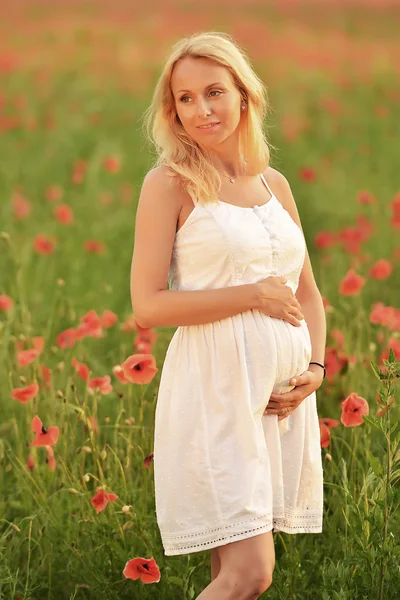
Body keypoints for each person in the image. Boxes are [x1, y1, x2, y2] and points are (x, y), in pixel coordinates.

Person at [130, 31, 326, 600]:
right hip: (216, 393)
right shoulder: (170, 184)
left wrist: (315, 368)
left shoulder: (274, 184)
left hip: (277, 402)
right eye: (184, 99)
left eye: (213, 92)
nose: (201, 110)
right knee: (250, 573)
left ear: (245, 94)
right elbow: (148, 305)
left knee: (235, 575)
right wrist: (252, 296)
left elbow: (307, 293)